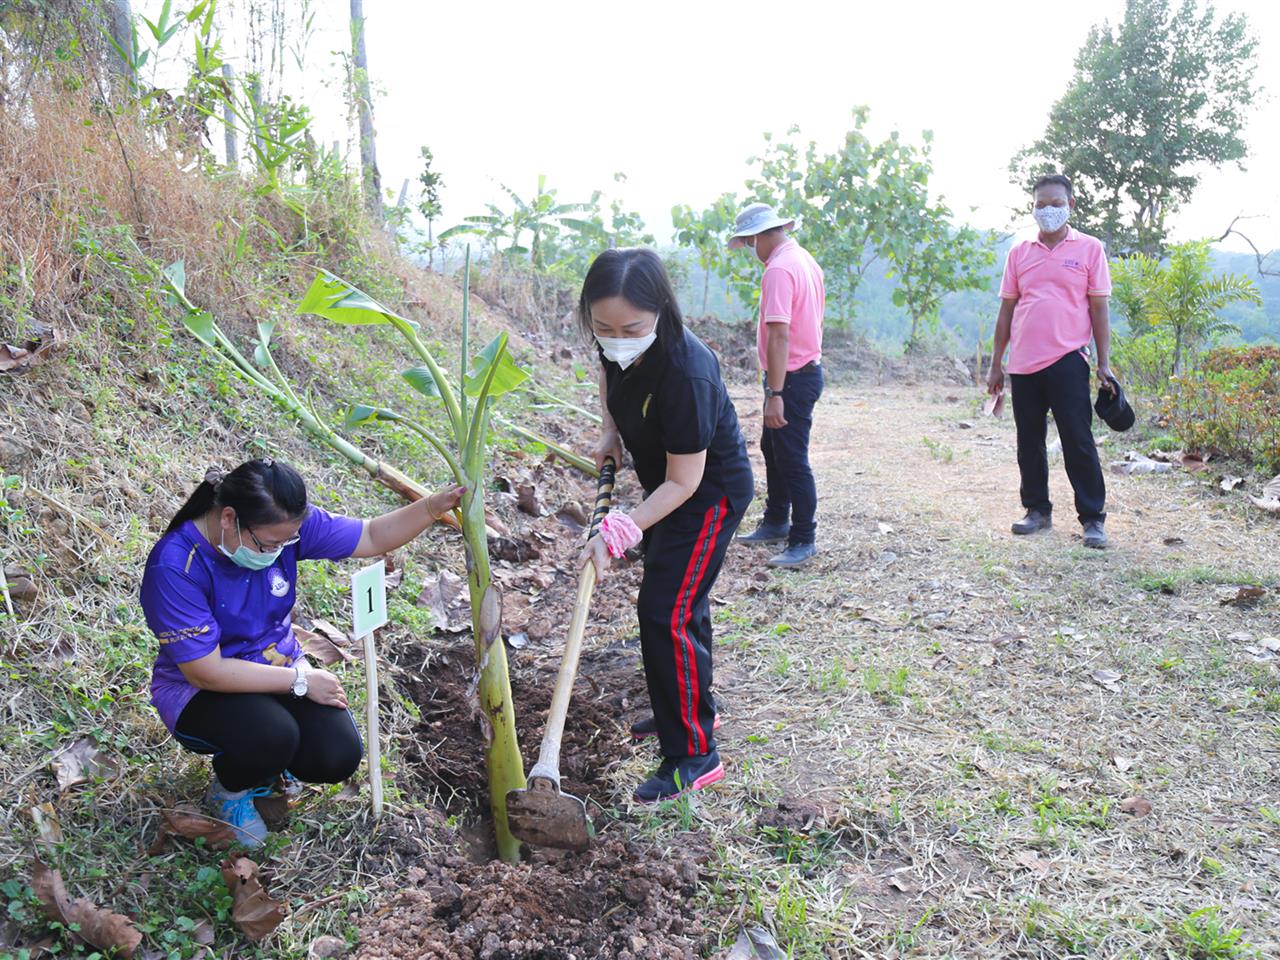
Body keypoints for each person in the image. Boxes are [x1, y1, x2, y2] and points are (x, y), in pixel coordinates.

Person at [141, 457, 464, 845]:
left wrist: (432, 506)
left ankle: (269, 766)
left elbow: (372, 536)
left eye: (288, 542)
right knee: (272, 735)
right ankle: (230, 790)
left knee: (337, 755)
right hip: (201, 690)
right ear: (229, 518)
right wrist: (300, 680)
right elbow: (204, 671)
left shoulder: (284, 526)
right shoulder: (176, 566)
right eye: (270, 543)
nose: (279, 551)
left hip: (275, 666)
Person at [579, 248, 753, 803]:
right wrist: (609, 430)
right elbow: (609, 377)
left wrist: (621, 527)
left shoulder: (687, 371)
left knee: (665, 608)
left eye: (631, 327)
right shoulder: (615, 345)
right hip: (667, 491)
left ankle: (694, 752)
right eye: (603, 326)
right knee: (678, 600)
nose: (616, 337)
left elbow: (685, 482)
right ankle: (690, 712)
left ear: (661, 312)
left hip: (706, 496)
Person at [986, 174, 1115, 549]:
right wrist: (997, 363)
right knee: (1029, 442)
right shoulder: (1019, 252)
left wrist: (1103, 362)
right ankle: (1036, 511)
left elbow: (1099, 308)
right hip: (1023, 365)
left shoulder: (1090, 249)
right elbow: (1006, 310)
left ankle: (1092, 519)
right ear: (1033, 207)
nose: (1048, 211)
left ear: (1071, 205)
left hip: (1068, 360)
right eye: (1041, 204)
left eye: (1056, 204)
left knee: (1078, 440)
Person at [728, 202, 826, 568]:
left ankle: (803, 538)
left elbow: (780, 335)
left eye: (749, 243)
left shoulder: (779, 270)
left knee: (792, 458)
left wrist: (776, 393)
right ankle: (775, 521)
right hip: (802, 371)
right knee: (773, 447)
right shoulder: (803, 259)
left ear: (757, 237)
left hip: (793, 378)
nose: (751, 251)